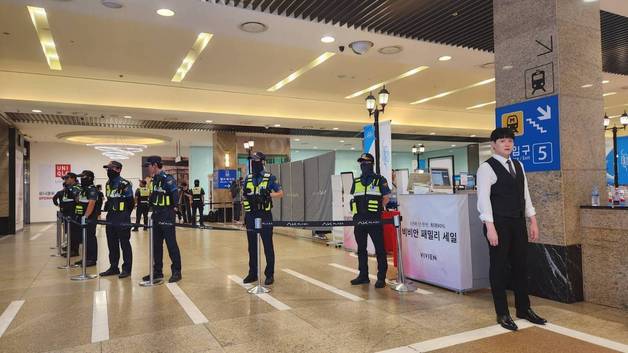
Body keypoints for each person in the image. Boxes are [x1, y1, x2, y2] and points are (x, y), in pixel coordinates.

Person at [477, 127, 547, 331]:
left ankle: (524, 309)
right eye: (502, 141)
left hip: (517, 223)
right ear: (493, 145)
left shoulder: (518, 165)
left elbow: (525, 195)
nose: (507, 144)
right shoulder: (486, 168)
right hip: (497, 224)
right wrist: (490, 227)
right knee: (498, 268)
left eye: (510, 141)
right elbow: (483, 201)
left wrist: (532, 220)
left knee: (520, 266)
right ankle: (503, 313)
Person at [349, 153, 391, 289]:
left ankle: (381, 278)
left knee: (380, 249)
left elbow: (386, 197)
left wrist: (379, 209)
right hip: (359, 221)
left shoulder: (380, 180)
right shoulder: (356, 181)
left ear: (371, 163)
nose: (363, 165)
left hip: (374, 221)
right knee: (361, 249)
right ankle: (363, 276)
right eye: (361, 162)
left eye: (365, 162)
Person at [242, 152, 283, 285]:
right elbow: (243, 196)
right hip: (251, 215)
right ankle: (252, 273)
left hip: (265, 215)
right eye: (252, 160)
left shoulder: (270, 177)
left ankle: (269, 274)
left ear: (263, 162)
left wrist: (268, 194)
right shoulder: (247, 178)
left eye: (257, 160)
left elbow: (281, 193)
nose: (254, 163)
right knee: (252, 247)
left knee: (268, 246)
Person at [143, 156, 182, 283]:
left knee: (171, 245)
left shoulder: (168, 179)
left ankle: (176, 271)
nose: (148, 168)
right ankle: (157, 271)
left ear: (155, 165)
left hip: (167, 215)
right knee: (156, 245)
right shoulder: (154, 180)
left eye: (148, 166)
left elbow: (175, 196)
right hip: (156, 215)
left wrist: (174, 209)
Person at [100, 161, 134, 279]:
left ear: (118, 169)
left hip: (122, 216)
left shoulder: (125, 183)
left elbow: (131, 202)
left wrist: (125, 215)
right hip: (111, 216)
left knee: (124, 243)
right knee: (111, 243)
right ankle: (114, 267)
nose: (108, 171)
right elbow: (109, 199)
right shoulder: (108, 183)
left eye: (111, 168)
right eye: (107, 169)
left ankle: (127, 269)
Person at [73, 170, 99, 266]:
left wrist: (86, 216)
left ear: (89, 178)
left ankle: (92, 259)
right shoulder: (83, 189)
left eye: (83, 177)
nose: (81, 179)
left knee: (90, 238)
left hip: (89, 218)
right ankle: (86, 257)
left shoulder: (92, 189)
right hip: (81, 216)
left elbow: (91, 204)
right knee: (84, 238)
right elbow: (78, 201)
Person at [59, 173, 81, 257]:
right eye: (64, 179)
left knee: (74, 232)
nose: (65, 180)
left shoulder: (76, 187)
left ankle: (74, 251)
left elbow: (78, 200)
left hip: (74, 213)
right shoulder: (69, 187)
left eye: (67, 178)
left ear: (73, 178)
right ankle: (71, 248)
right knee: (70, 232)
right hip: (68, 213)